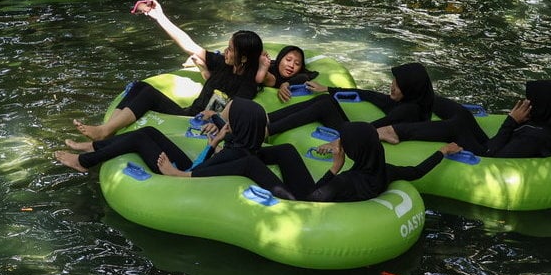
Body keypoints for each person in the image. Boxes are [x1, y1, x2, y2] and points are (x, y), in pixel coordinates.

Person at [72, 0, 271, 141]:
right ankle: (106, 130)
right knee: (140, 86)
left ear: (243, 58)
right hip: (188, 113)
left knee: (148, 93)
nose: (225, 52)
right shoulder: (222, 64)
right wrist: (160, 17)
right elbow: (188, 44)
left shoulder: (247, 85)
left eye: (230, 49)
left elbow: (234, 111)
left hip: (196, 123)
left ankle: (105, 132)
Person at [158, 121, 462, 202]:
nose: (338, 145)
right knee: (287, 150)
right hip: (315, 192)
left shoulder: (347, 180)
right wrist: (443, 152)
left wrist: (333, 168)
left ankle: (184, 176)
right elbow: (417, 171)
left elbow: (313, 200)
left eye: (344, 143)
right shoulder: (384, 170)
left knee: (249, 165)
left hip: (300, 201)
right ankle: (242, 149)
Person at [58, 99, 278, 185]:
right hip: (194, 168)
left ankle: (84, 161)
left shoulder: (236, 154)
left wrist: (211, 148)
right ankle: (93, 146)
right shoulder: (244, 145)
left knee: (139, 138)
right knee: (150, 131)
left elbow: (199, 172)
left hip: (183, 177)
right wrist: (215, 143)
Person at [377, 79, 551, 158]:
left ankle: (394, 131)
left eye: (531, 100)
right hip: (492, 145)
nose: (526, 102)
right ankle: (415, 95)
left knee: (455, 126)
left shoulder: (536, 139)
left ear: (543, 105)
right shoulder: (548, 120)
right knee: (463, 114)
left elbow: (492, 153)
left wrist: (512, 121)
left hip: (487, 153)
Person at [265, 62, 436, 137]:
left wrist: (345, 135)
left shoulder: (409, 110)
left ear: (410, 89)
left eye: (399, 86)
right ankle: (267, 119)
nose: (392, 87)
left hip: (357, 136)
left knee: (323, 104)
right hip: (358, 131)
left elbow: (377, 127)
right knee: (325, 100)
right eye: (394, 82)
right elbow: (371, 95)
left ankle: (267, 129)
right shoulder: (411, 99)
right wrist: (330, 89)